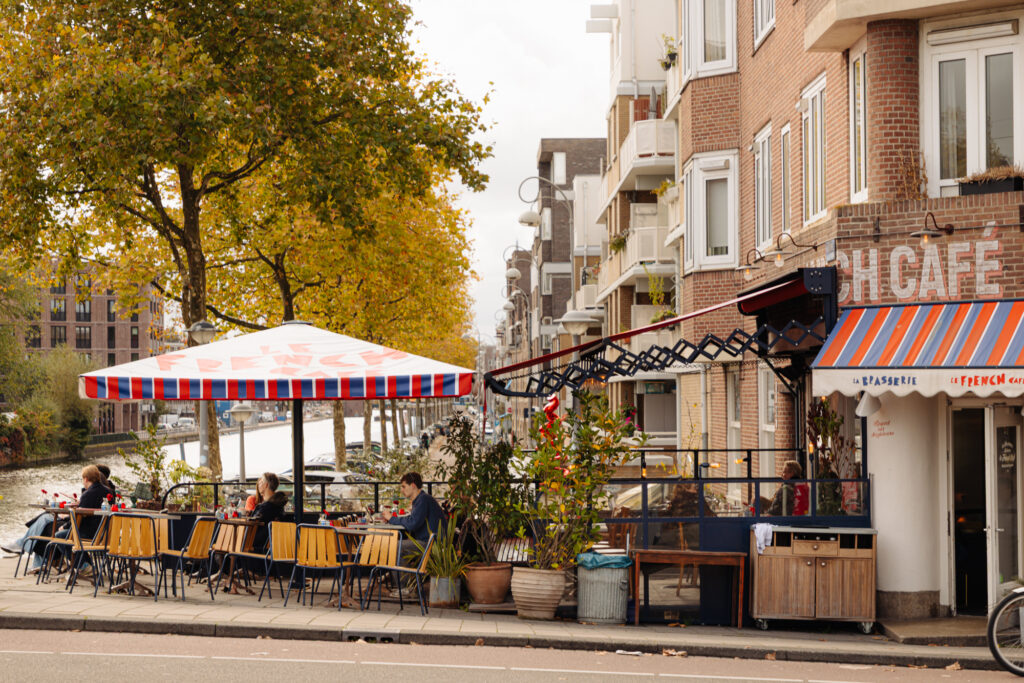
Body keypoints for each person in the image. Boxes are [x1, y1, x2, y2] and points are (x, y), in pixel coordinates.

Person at [383, 472, 446, 566]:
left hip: (432, 544)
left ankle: (404, 580)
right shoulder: (421, 499)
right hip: (428, 541)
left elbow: (412, 523)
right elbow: (413, 519)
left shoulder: (423, 499)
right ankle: (404, 578)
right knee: (395, 545)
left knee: (395, 547)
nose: (401, 490)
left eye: (403, 487)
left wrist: (392, 518)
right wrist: (392, 518)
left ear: (412, 485)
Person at [249, 472, 289, 551]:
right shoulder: (279, 505)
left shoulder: (265, 508)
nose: (258, 484)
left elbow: (252, 525)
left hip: (256, 547)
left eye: (260, 482)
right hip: (272, 549)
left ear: (266, 485)